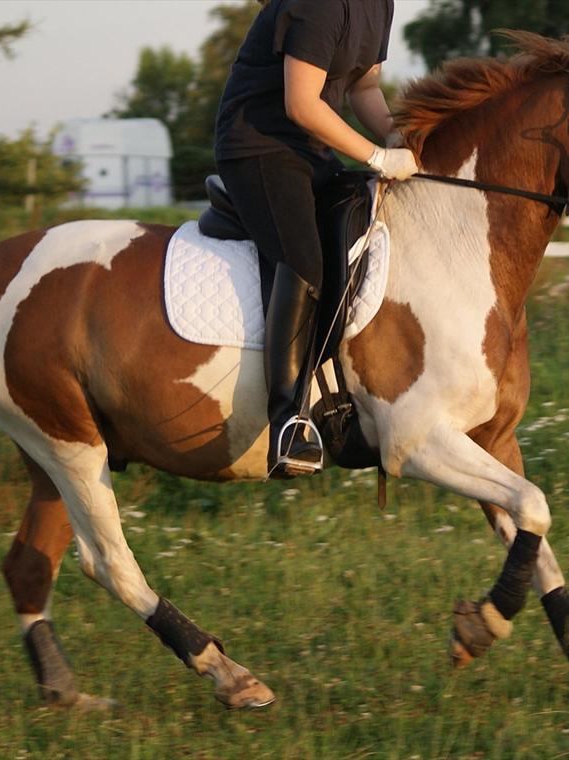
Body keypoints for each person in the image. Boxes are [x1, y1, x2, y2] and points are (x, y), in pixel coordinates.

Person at [214, 0, 419, 479]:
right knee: (305, 260)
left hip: (312, 151)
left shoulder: (380, 6)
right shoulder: (322, 4)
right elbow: (301, 103)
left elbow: (363, 85)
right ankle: (288, 420)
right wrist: (376, 157)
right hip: (259, 147)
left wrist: (395, 137)